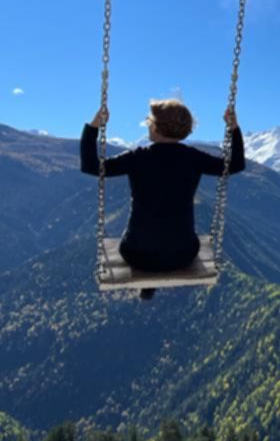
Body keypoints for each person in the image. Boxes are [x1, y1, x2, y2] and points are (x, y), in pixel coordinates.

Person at [81, 99, 246, 301]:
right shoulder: (194, 158)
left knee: (142, 237)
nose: (147, 123)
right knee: (173, 237)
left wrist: (94, 126)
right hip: (183, 254)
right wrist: (233, 127)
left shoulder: (137, 157)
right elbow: (236, 164)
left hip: (136, 254)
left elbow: (91, 166)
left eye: (149, 120)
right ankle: (151, 278)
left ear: (156, 127)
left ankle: (148, 279)